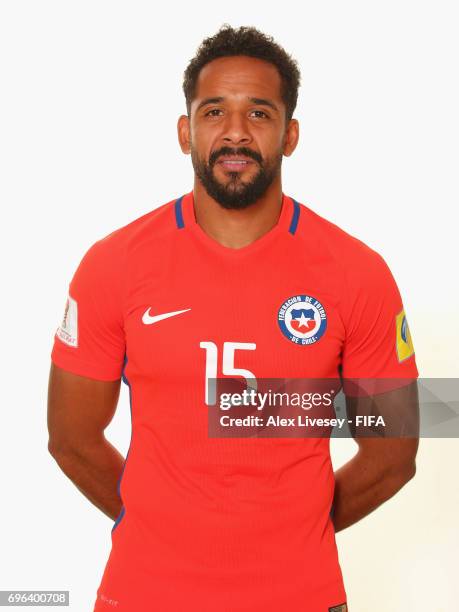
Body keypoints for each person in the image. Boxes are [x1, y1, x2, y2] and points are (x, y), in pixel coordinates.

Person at [47, 24, 419, 612]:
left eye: (260, 114)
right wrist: (162, 527)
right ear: (184, 130)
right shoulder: (111, 266)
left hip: (301, 595)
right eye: (214, 111)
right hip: (145, 593)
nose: (236, 133)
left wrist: (289, 534)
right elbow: (71, 440)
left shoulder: (358, 273)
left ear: (290, 135)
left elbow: (393, 457)